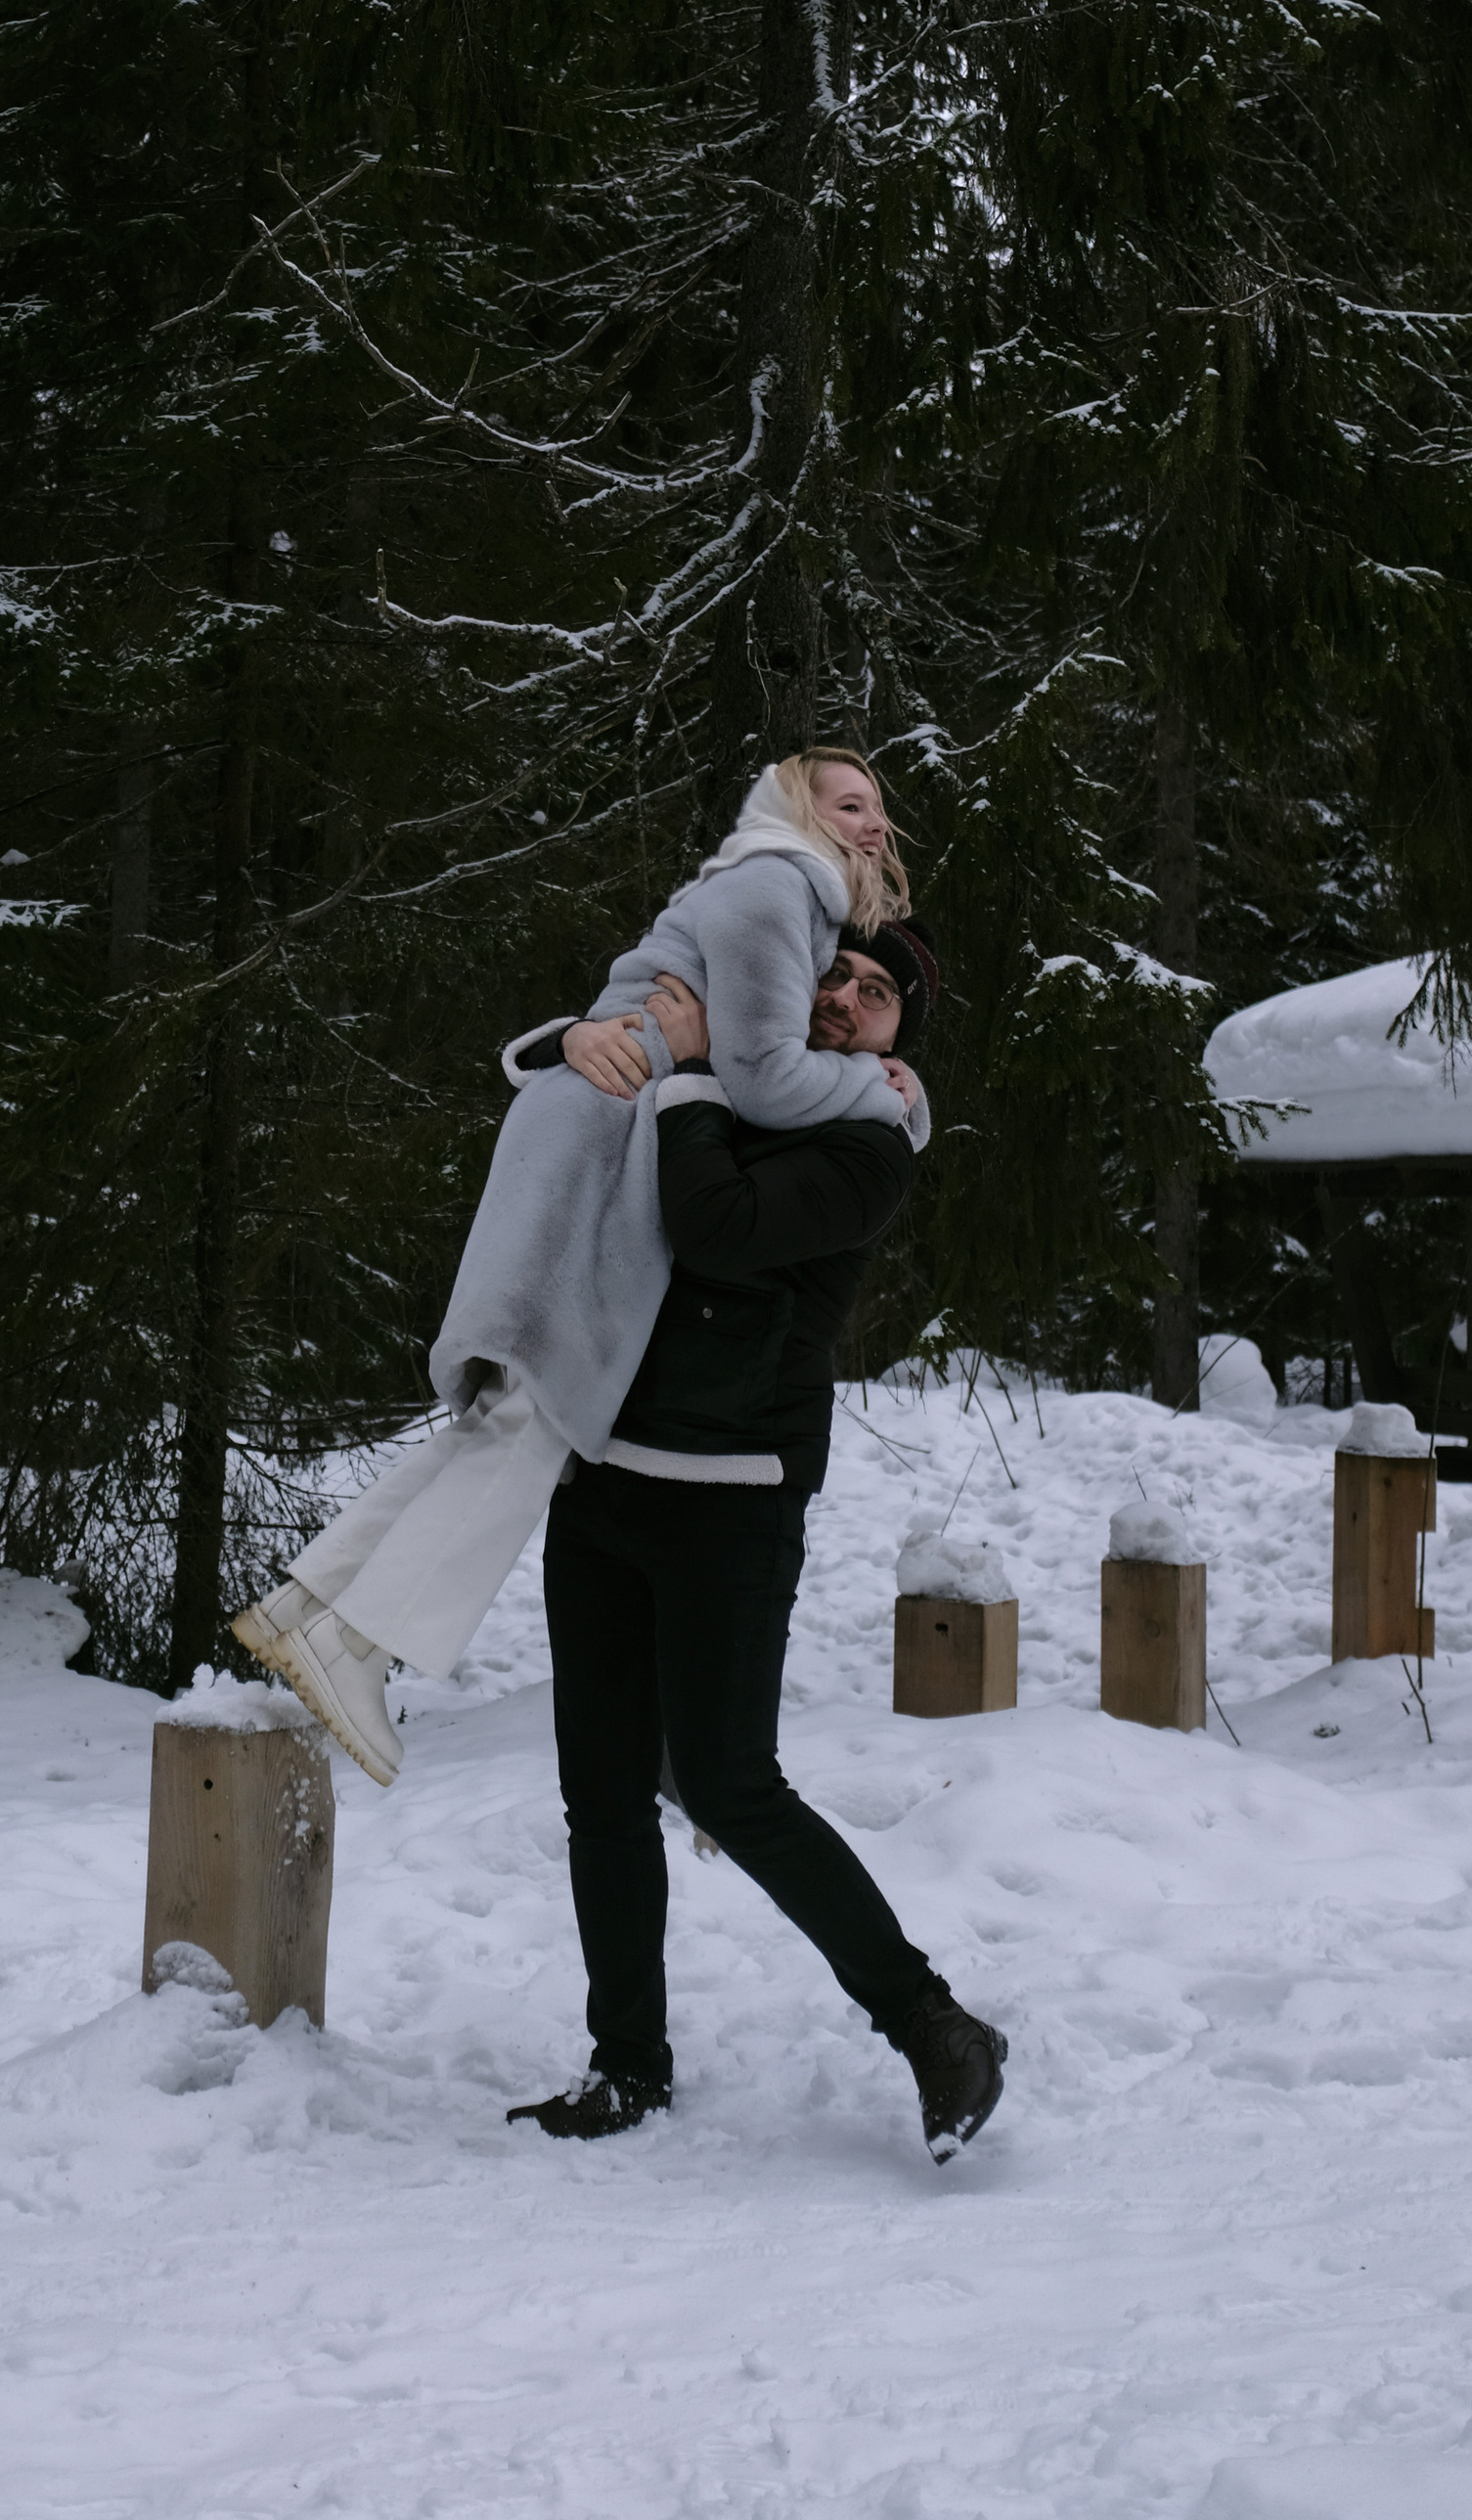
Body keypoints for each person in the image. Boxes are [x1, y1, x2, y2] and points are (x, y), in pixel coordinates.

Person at [235, 752, 923, 1781]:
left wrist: (579, 1039)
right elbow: (759, 1076)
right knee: (544, 1413)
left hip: (595, 1137)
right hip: (602, 1149)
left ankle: (314, 1608)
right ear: (793, 808)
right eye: (848, 803)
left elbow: (661, 1017)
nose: (871, 825)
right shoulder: (779, 884)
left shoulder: (778, 891)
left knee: (516, 1407)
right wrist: (877, 1092)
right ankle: (354, 1645)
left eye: (877, 809)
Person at [506, 927, 1009, 2165]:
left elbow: (718, 1225)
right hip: (605, 1477)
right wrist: (600, 1041)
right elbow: (536, 1073)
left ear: (901, 1040)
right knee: (603, 1796)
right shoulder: (732, 1067)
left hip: (732, 1493)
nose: (843, 999)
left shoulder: (867, 1141)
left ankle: (934, 2024)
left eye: (876, 993)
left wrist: (678, 1074)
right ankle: (627, 2064)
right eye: (831, 977)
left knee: (732, 1782)